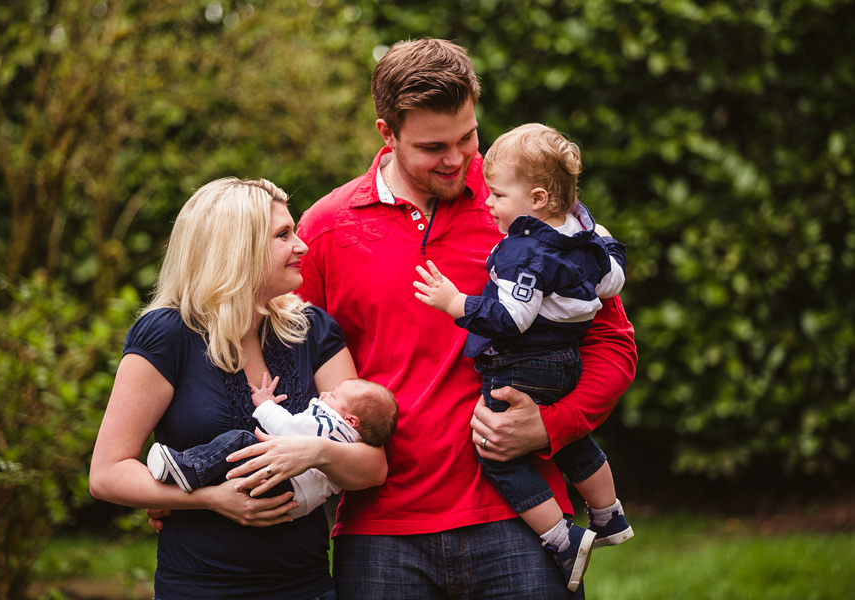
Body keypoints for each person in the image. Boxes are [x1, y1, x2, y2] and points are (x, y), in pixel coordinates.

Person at [295, 38, 637, 599]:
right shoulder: (327, 228)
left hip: (523, 521)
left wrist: (553, 426)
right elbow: (283, 358)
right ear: (387, 133)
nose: (458, 160)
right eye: (433, 147)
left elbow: (614, 344)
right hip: (381, 528)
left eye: (467, 137)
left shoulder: (525, 208)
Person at [89, 177, 388, 600]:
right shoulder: (168, 335)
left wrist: (316, 452)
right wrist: (212, 498)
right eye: (283, 235)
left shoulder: (312, 331)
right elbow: (107, 473)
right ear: (237, 250)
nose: (302, 246)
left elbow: (371, 467)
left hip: (305, 585)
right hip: (200, 585)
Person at [413, 122, 633, 591]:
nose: (487, 203)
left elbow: (511, 317)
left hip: (522, 366)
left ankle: (562, 539)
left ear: (535, 199)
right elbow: (611, 280)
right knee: (570, 441)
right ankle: (610, 515)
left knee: (497, 452)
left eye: (496, 196)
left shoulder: (521, 250)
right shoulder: (585, 231)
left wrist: (457, 303)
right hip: (565, 364)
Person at [146, 373, 398, 519]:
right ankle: (186, 483)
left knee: (241, 441)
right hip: (292, 499)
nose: (323, 395)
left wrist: (265, 405)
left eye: (333, 395)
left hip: (285, 484)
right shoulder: (350, 440)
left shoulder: (330, 427)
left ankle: (189, 468)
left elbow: (289, 430)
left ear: (350, 420)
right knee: (238, 464)